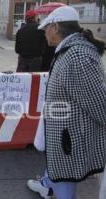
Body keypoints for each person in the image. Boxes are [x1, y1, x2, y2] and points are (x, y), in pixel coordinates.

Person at [27, 6, 106, 199]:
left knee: (64, 178)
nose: (44, 33)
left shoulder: (76, 56)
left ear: (54, 28)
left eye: (46, 28)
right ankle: (47, 184)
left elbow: (100, 106)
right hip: (66, 136)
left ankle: (50, 187)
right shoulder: (70, 51)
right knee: (61, 174)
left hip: (69, 139)